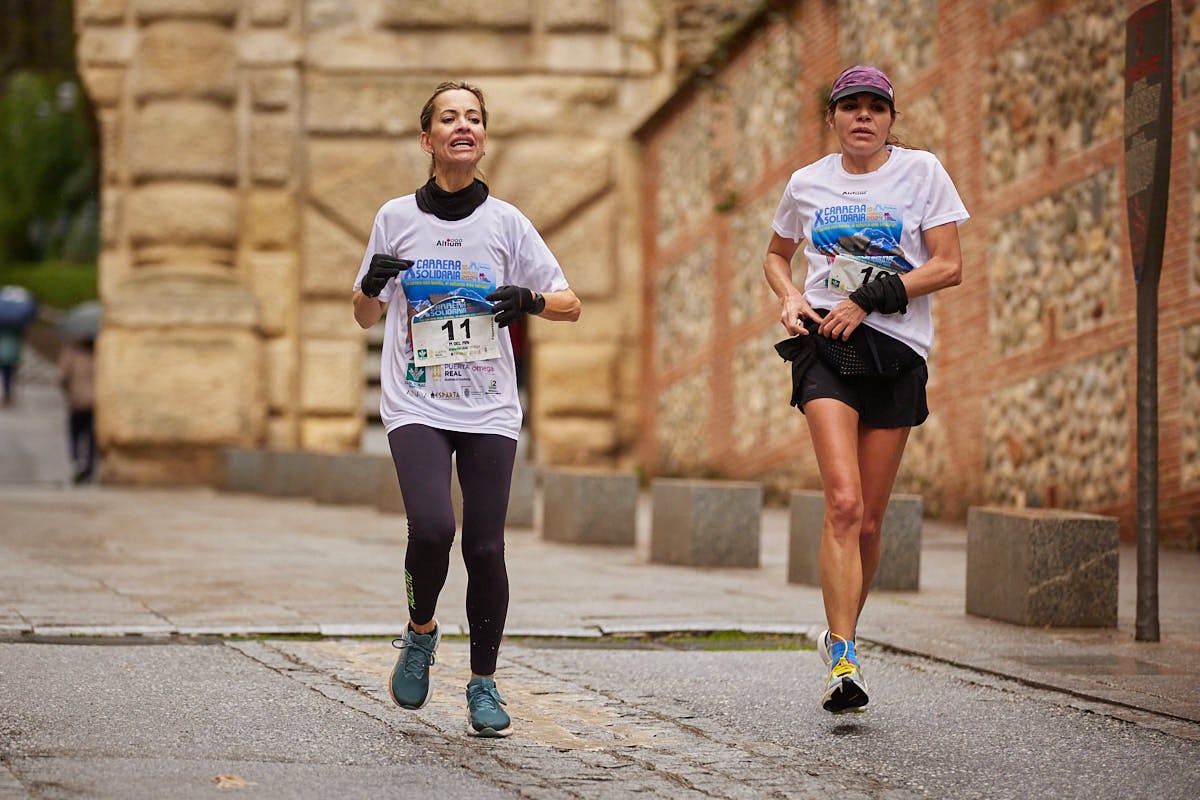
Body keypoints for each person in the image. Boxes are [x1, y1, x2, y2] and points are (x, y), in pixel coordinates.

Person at [352, 81, 581, 738]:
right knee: (431, 530)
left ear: (483, 138)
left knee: (485, 547)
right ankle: (421, 632)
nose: (463, 126)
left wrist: (529, 301)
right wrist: (370, 284)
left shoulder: (507, 223)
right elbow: (365, 316)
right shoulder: (395, 217)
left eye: (474, 118)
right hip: (416, 400)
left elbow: (570, 301)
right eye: (449, 118)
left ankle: (483, 682)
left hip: (487, 408)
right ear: (428, 140)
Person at [764, 65, 968, 714]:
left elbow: (948, 263)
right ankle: (845, 661)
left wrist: (874, 295)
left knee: (873, 521)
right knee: (845, 505)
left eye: (874, 108)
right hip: (826, 348)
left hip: (897, 353)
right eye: (849, 106)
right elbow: (775, 254)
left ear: (890, 119)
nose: (862, 117)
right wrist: (792, 296)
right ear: (832, 118)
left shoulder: (922, 173)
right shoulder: (807, 183)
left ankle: (837, 629)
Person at [58, 337, 96, 483]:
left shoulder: (72, 354)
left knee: (75, 435)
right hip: (95, 402)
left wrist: (68, 391)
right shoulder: (99, 354)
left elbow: (62, 377)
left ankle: (77, 462)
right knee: (91, 438)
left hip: (77, 401)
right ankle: (89, 467)